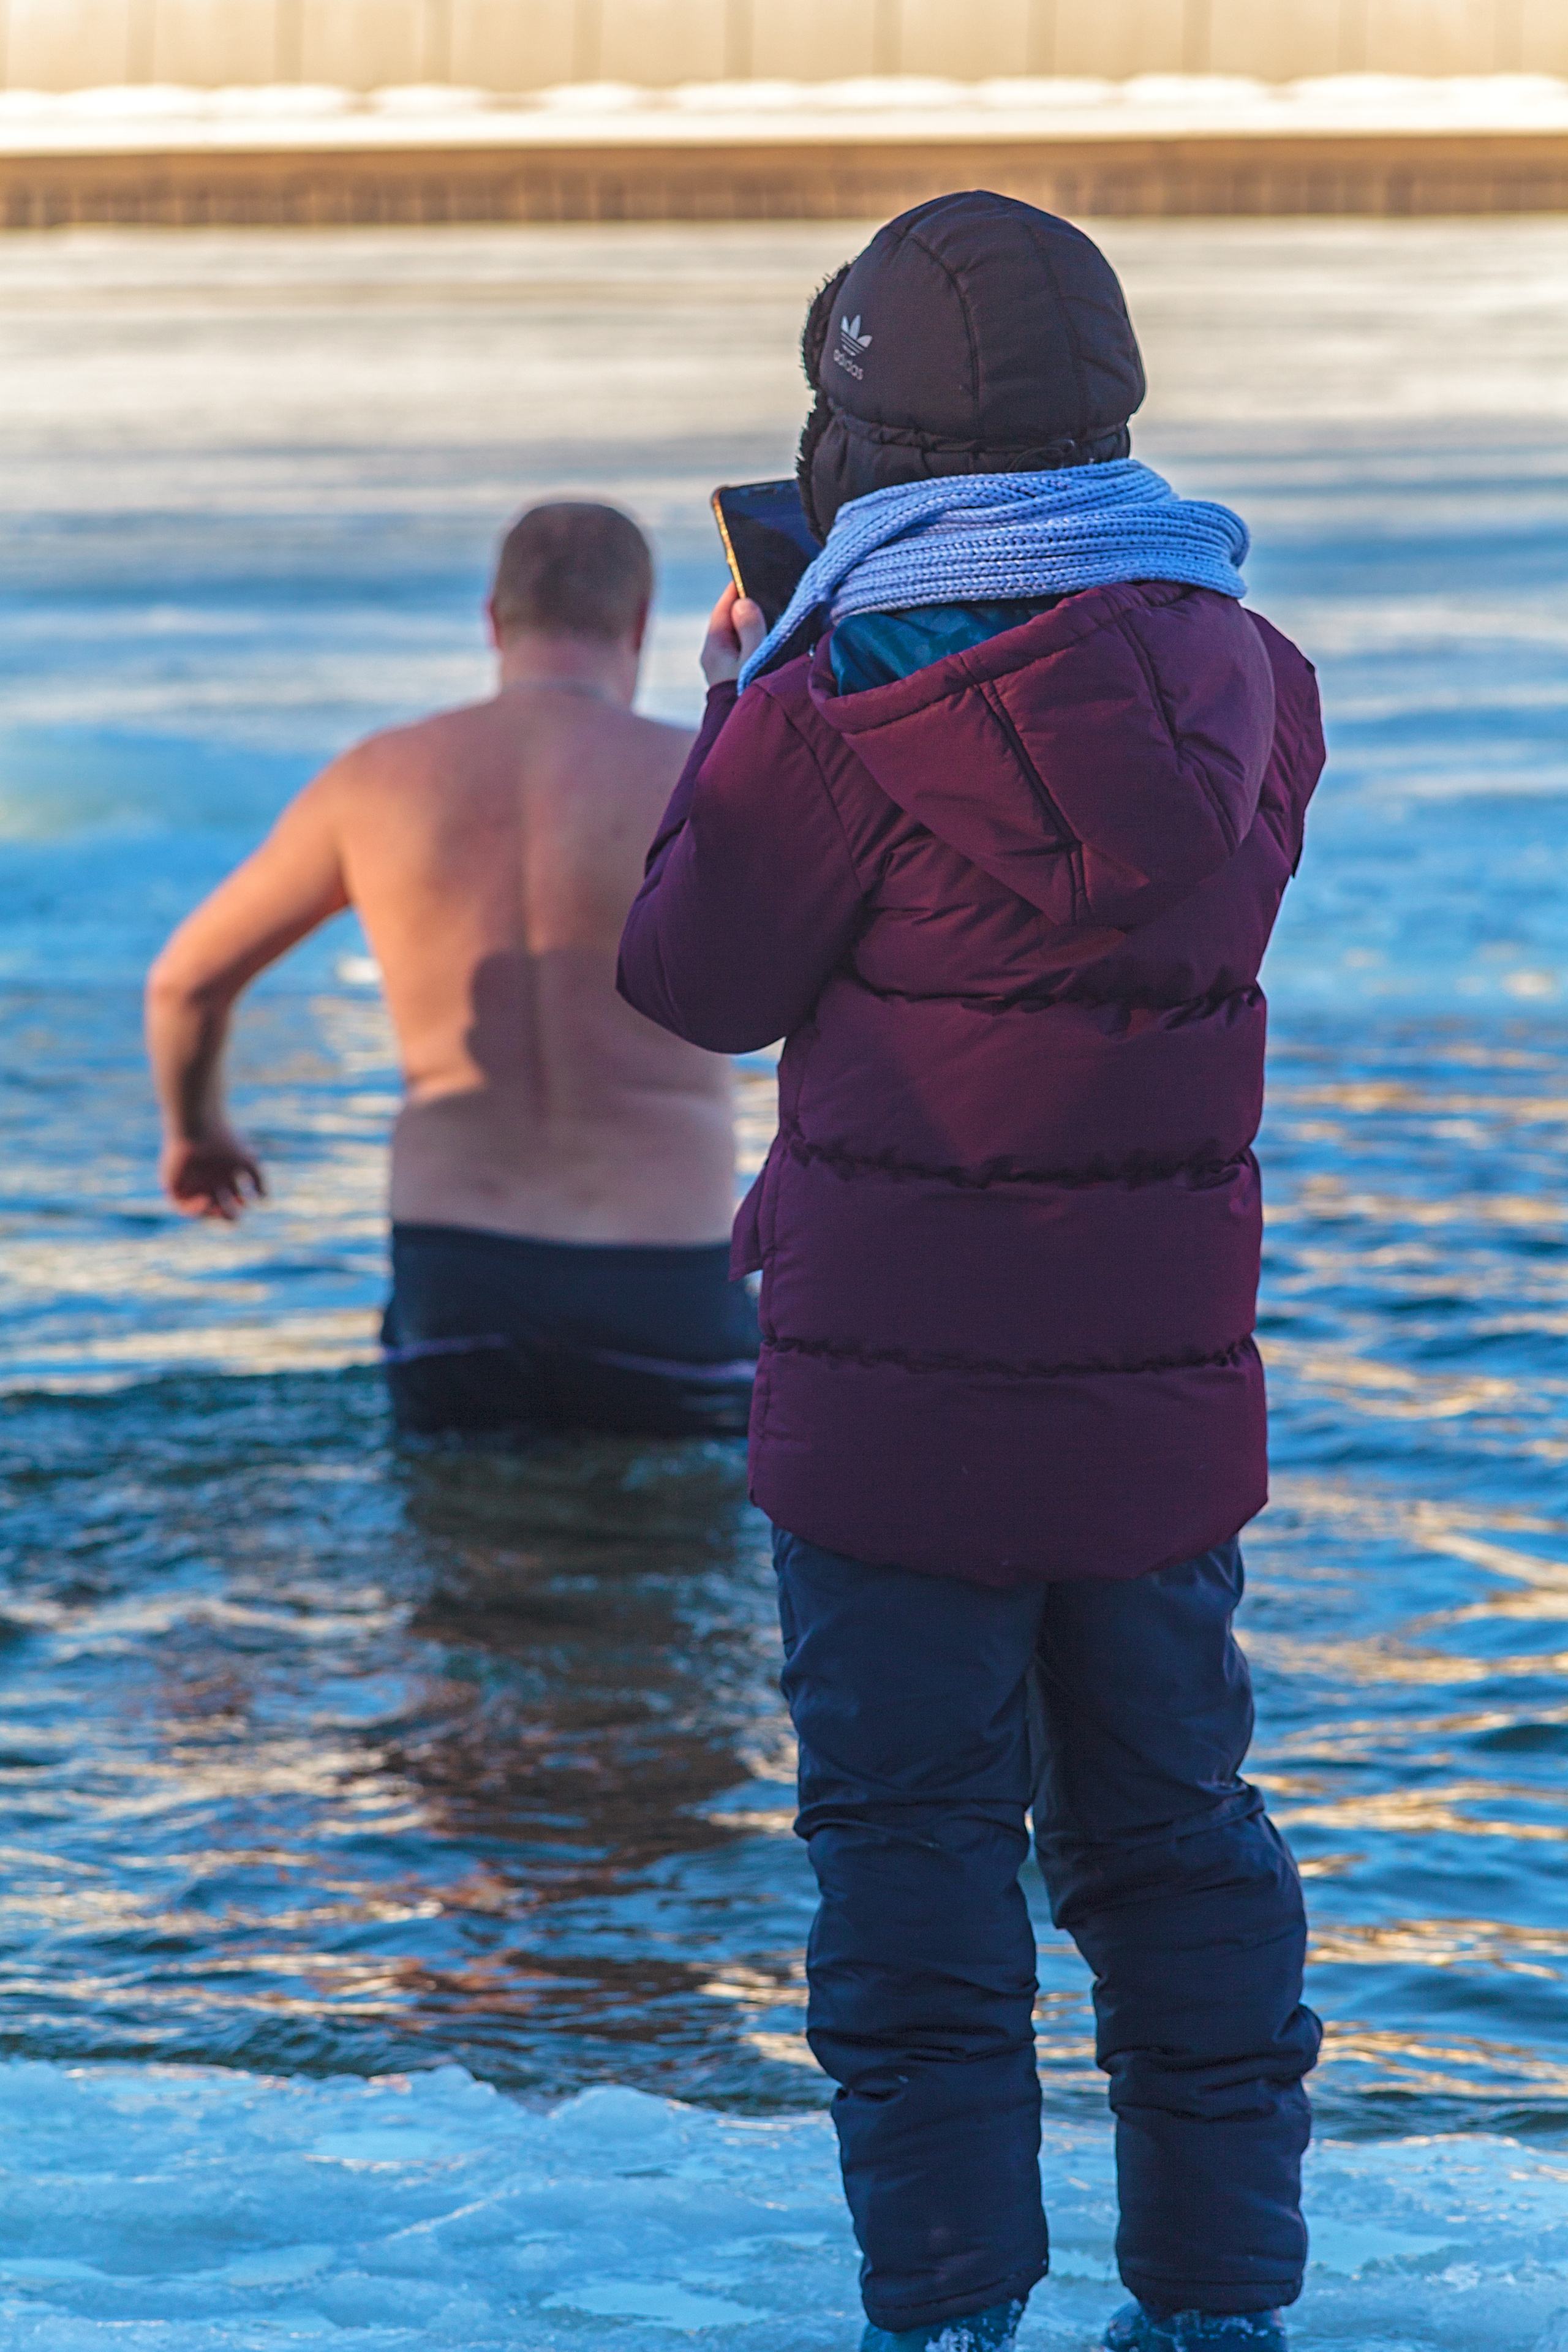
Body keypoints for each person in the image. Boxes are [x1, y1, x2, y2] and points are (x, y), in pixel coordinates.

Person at [618, 193, 1326, 2352]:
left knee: (917, 1867)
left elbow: (696, 981)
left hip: (890, 1402)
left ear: (870, 437)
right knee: (1179, 1839)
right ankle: (1220, 2311)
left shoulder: (833, 701)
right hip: (1156, 1385)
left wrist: (745, 703)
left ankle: (947, 2317)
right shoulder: (1251, 674)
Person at [146, 500, 756, 1439]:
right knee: (665, 1568)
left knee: (462, 1572)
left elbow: (187, 982)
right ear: (639, 623)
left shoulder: (377, 779)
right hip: (663, 1268)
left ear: (492, 621)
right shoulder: (705, 778)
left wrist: (198, 1134)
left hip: (457, 1271)